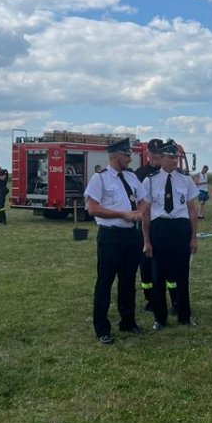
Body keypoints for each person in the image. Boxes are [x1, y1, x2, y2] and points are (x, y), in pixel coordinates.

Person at [85, 138, 149, 345]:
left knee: (128, 281)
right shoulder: (100, 178)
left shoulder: (131, 177)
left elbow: (143, 199)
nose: (130, 159)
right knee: (105, 282)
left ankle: (128, 321)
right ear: (115, 156)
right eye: (127, 155)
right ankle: (102, 328)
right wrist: (122, 214)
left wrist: (140, 211)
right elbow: (92, 208)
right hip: (111, 236)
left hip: (131, 235)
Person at [141, 139, 198, 330]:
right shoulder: (150, 180)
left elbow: (192, 209)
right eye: (172, 157)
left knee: (182, 274)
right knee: (158, 276)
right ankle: (160, 318)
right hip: (160, 228)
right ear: (161, 157)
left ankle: (184, 315)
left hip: (180, 228)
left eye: (177, 157)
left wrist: (193, 236)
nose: (176, 160)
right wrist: (147, 240)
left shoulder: (186, 179)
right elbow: (146, 213)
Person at [135, 139, 165, 312]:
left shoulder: (171, 173)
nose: (156, 157)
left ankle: (174, 298)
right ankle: (150, 299)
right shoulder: (140, 173)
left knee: (167, 264)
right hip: (145, 225)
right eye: (153, 153)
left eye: (159, 154)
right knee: (146, 265)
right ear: (147, 154)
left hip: (163, 226)